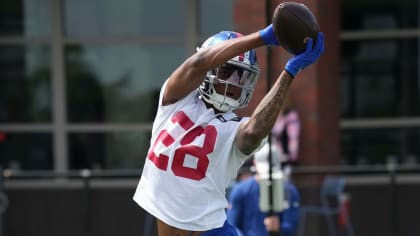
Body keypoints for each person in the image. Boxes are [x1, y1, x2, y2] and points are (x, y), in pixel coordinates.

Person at [133, 22, 324, 236]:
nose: (235, 82)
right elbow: (198, 62)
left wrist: (290, 71)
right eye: (228, 71)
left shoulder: (235, 127)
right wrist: (262, 37)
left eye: (241, 75)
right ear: (210, 69)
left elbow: (253, 132)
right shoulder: (175, 99)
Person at [227, 144, 300, 236]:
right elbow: (233, 225)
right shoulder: (241, 190)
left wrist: (279, 228)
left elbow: (292, 225)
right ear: (255, 164)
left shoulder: (289, 191)